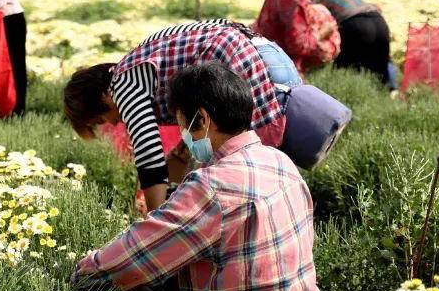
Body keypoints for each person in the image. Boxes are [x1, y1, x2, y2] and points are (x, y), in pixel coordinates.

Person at [71, 61, 326, 291]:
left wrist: (78, 273)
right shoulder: (280, 162)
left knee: (118, 287)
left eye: (182, 124)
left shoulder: (212, 187)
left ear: (201, 119)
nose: (182, 135)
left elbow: (130, 257)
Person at [63, 19, 285, 212]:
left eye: (101, 119)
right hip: (236, 48)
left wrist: (154, 223)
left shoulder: (123, 85)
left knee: (240, 160)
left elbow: (150, 158)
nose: (112, 122)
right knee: (226, 156)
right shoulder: (132, 67)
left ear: (100, 97)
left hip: (225, 58)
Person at [315, 0, 396, 90]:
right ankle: (392, 92)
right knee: (381, 69)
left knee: (343, 70)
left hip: (355, 25)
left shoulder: (314, 7)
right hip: (379, 21)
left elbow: (319, 35)